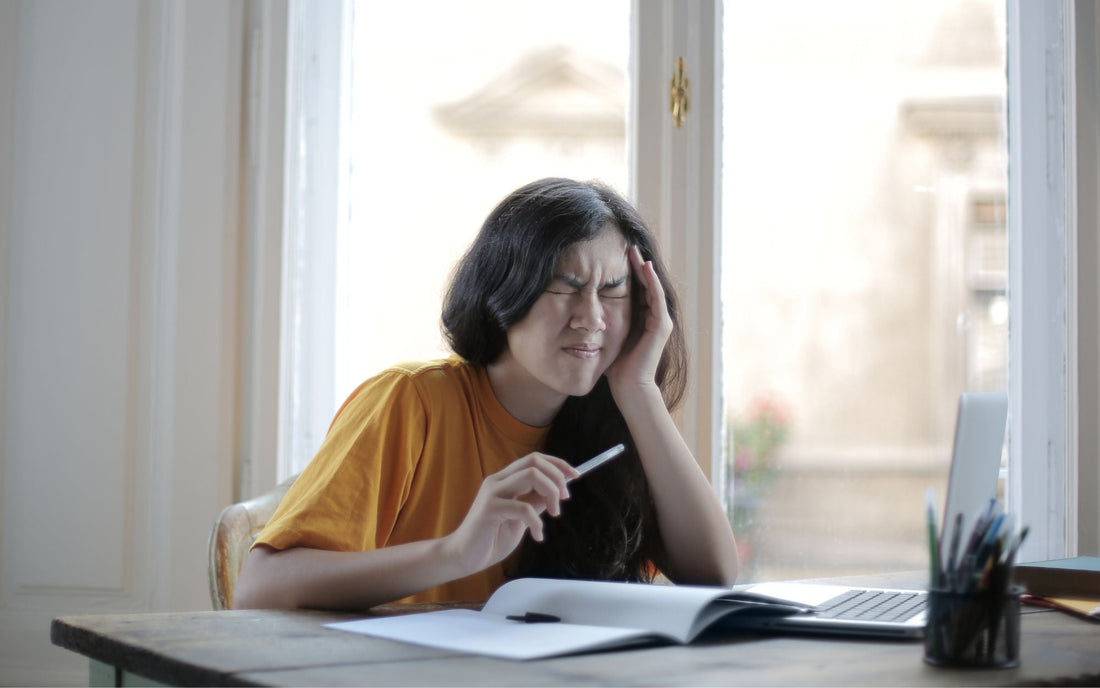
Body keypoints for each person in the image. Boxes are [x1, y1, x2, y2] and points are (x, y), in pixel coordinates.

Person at [234, 178, 738, 610]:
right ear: (505, 290)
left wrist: (638, 388)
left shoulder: (614, 420)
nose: (592, 317)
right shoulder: (410, 401)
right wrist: (454, 553)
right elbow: (258, 589)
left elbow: (713, 574)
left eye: (613, 290)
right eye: (565, 286)